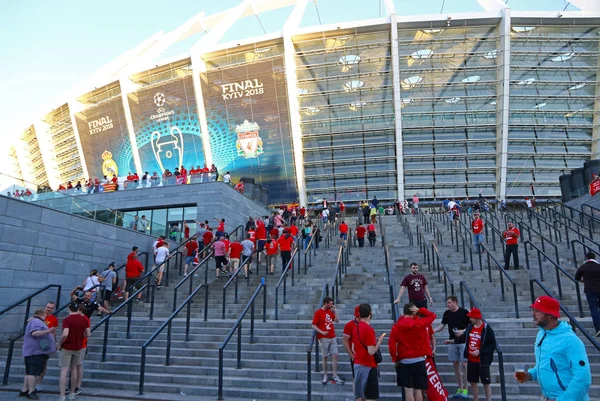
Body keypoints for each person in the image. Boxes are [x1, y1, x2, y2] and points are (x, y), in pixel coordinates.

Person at [516, 296, 591, 400]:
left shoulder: (571, 340)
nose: (533, 314)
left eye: (537, 311)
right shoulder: (541, 335)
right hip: (546, 397)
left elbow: (583, 377)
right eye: (533, 310)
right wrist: (529, 375)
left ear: (550, 315)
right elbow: (545, 364)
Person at [389, 303, 436, 401]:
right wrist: (420, 310)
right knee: (418, 389)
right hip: (419, 360)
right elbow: (432, 316)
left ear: (404, 312)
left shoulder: (396, 327)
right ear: (414, 312)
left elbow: (391, 346)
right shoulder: (420, 323)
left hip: (405, 361)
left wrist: (395, 358)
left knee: (408, 390)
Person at [434, 296, 470, 399]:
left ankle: (466, 389)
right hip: (452, 341)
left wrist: (462, 331)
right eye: (447, 303)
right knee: (455, 364)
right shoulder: (447, 313)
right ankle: (460, 387)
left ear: (455, 302)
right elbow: (442, 326)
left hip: (463, 341)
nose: (448, 305)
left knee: (464, 364)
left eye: (449, 303)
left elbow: (471, 326)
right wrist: (433, 330)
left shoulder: (464, 312)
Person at [20, 308, 56, 400]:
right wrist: (48, 331)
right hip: (35, 352)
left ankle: (24, 390)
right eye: (45, 315)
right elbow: (35, 333)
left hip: (36, 351)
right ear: (42, 314)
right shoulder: (36, 322)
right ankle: (31, 391)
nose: (46, 316)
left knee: (30, 372)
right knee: (33, 372)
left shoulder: (35, 321)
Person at [352, 303, 386, 401]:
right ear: (370, 313)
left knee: (360, 396)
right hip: (369, 366)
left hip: (358, 364)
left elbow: (353, 348)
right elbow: (371, 351)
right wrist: (378, 342)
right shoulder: (369, 329)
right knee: (371, 397)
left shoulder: (356, 328)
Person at [58, 303, 90, 401]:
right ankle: (72, 393)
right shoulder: (84, 319)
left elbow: (65, 333)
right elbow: (88, 333)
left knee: (64, 370)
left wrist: (59, 343)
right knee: (74, 369)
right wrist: (80, 337)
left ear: (69, 309)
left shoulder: (67, 320)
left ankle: (62, 395)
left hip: (67, 347)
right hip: (78, 347)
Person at [463, 308, 496, 401]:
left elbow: (492, 345)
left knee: (486, 382)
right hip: (471, 359)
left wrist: (479, 351)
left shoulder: (486, 329)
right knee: (473, 382)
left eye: (471, 317)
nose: (470, 319)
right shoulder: (470, 327)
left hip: (482, 361)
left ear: (476, 317)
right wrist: (453, 340)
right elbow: (464, 337)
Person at [311, 296, 344, 385]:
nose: (331, 305)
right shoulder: (318, 313)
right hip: (323, 337)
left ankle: (335, 375)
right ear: (325, 303)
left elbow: (337, 321)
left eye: (332, 303)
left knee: (335, 355)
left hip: (332, 336)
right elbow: (313, 325)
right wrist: (322, 332)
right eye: (330, 303)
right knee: (325, 356)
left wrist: (335, 311)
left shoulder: (330, 311)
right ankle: (325, 375)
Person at [575, 251, 600, 336]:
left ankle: (598, 328)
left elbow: (577, 278)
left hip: (590, 290)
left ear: (587, 258)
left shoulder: (583, 267)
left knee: (594, 308)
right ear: (595, 258)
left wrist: (585, 281)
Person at [343, 305, 361, 393]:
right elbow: (345, 341)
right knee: (356, 377)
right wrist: (351, 355)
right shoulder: (349, 325)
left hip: (365, 355)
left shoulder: (365, 324)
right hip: (355, 356)